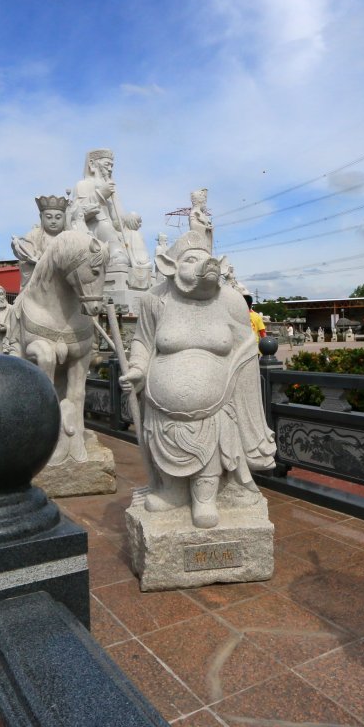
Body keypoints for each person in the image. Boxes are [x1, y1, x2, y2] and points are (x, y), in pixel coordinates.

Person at [119, 231, 276, 528]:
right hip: (162, 404)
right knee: (168, 449)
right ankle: (173, 492)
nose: (204, 264)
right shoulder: (156, 299)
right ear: (171, 266)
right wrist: (137, 370)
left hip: (216, 404)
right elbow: (142, 341)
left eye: (207, 259)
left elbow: (245, 350)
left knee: (212, 451)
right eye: (192, 259)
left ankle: (205, 498)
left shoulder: (230, 301)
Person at [69, 148, 132, 278]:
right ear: (92, 164)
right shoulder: (83, 185)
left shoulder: (112, 189)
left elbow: (117, 219)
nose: (110, 169)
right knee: (104, 224)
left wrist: (126, 220)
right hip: (93, 227)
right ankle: (115, 254)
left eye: (112, 166)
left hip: (110, 229)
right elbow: (76, 212)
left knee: (131, 233)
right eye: (106, 164)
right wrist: (101, 193)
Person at [11, 195, 69, 288]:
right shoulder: (33, 235)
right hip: (40, 282)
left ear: (64, 218)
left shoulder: (69, 237)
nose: (53, 221)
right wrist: (32, 259)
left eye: (58, 218)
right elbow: (25, 257)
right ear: (41, 217)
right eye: (49, 217)